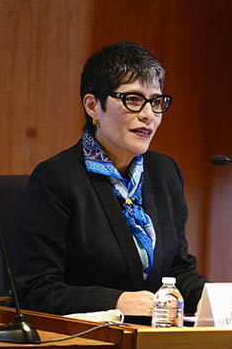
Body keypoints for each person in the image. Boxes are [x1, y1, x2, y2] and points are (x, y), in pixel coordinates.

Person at [16, 42, 207, 316]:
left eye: (156, 101)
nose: (149, 115)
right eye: (133, 100)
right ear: (93, 106)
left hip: (153, 336)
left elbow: (178, 272)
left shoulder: (165, 173)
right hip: (89, 337)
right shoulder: (57, 179)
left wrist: (222, 301)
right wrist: (116, 302)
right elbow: (36, 289)